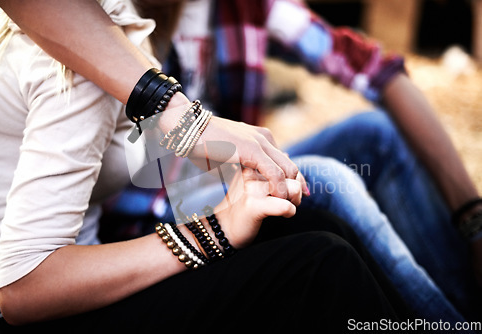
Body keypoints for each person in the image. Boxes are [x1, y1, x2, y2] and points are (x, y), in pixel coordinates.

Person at [0, 1, 413, 332]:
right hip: (33, 311)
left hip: (80, 281)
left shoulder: (101, 33)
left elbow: (366, 65)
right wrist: (215, 231)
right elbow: (23, 289)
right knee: (322, 264)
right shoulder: (76, 59)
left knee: (314, 229)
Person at [121, 0, 482, 322]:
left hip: (226, 176)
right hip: (154, 211)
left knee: (375, 135)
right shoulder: (113, 21)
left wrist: (473, 217)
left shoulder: (246, 7)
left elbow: (378, 71)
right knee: (320, 178)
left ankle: (463, 309)